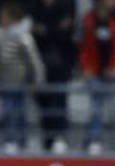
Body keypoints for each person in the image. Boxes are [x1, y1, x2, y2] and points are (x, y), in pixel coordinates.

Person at [0, 0, 45, 153]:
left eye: (4, 17)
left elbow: (34, 60)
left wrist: (37, 80)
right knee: (7, 112)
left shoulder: (24, 37)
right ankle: (10, 140)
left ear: (13, 19)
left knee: (20, 113)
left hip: (20, 83)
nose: (1, 20)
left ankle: (20, 142)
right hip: (3, 82)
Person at [28, 0, 76, 153]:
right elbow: (32, 35)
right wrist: (54, 29)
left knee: (60, 100)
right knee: (44, 103)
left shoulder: (65, 6)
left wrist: (45, 30)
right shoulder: (34, 7)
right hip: (39, 66)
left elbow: (66, 34)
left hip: (61, 65)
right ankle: (47, 140)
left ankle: (59, 138)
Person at [78, 0, 115, 153]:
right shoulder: (88, 22)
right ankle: (94, 139)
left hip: (106, 71)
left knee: (109, 106)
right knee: (96, 105)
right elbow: (84, 47)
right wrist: (86, 67)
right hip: (93, 71)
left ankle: (97, 139)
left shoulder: (113, 24)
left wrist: (111, 67)